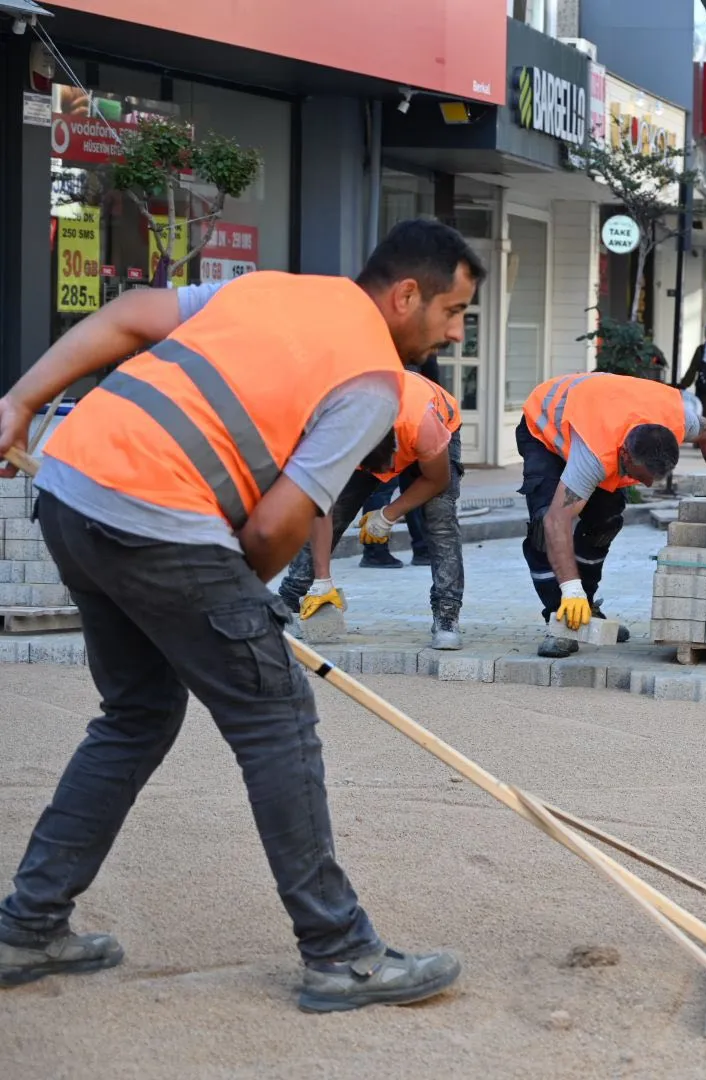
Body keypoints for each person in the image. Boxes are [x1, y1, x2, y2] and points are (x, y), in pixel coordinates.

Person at [0, 218, 483, 1009]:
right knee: (276, 721)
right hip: (155, 513)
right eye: (454, 311)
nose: (456, 330)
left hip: (71, 486)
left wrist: (21, 399)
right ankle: (341, 955)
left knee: (137, 714)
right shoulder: (371, 382)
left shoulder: (274, 288)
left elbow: (126, 316)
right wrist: (239, 604)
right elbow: (273, 529)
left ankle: (27, 928)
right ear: (406, 295)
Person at [518, 371, 706, 657]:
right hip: (547, 426)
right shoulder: (595, 453)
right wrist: (570, 588)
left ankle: (586, 607)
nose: (649, 484)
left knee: (605, 521)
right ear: (625, 456)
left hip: (603, 411)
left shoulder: (677, 420)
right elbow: (558, 520)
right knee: (546, 524)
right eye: (640, 475)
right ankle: (562, 617)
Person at [278, 370, 466, 650]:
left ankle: (447, 616)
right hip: (372, 433)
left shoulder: (423, 426)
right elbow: (322, 505)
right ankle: (290, 602)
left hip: (435, 425)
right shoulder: (331, 429)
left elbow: (437, 480)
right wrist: (323, 578)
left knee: (439, 520)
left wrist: (388, 514)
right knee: (338, 508)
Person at [358, 354, 445, 570]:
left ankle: (376, 550)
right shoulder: (417, 340)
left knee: (380, 486)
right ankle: (421, 549)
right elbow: (432, 376)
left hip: (386, 414)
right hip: (412, 416)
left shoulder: (376, 342)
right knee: (412, 486)